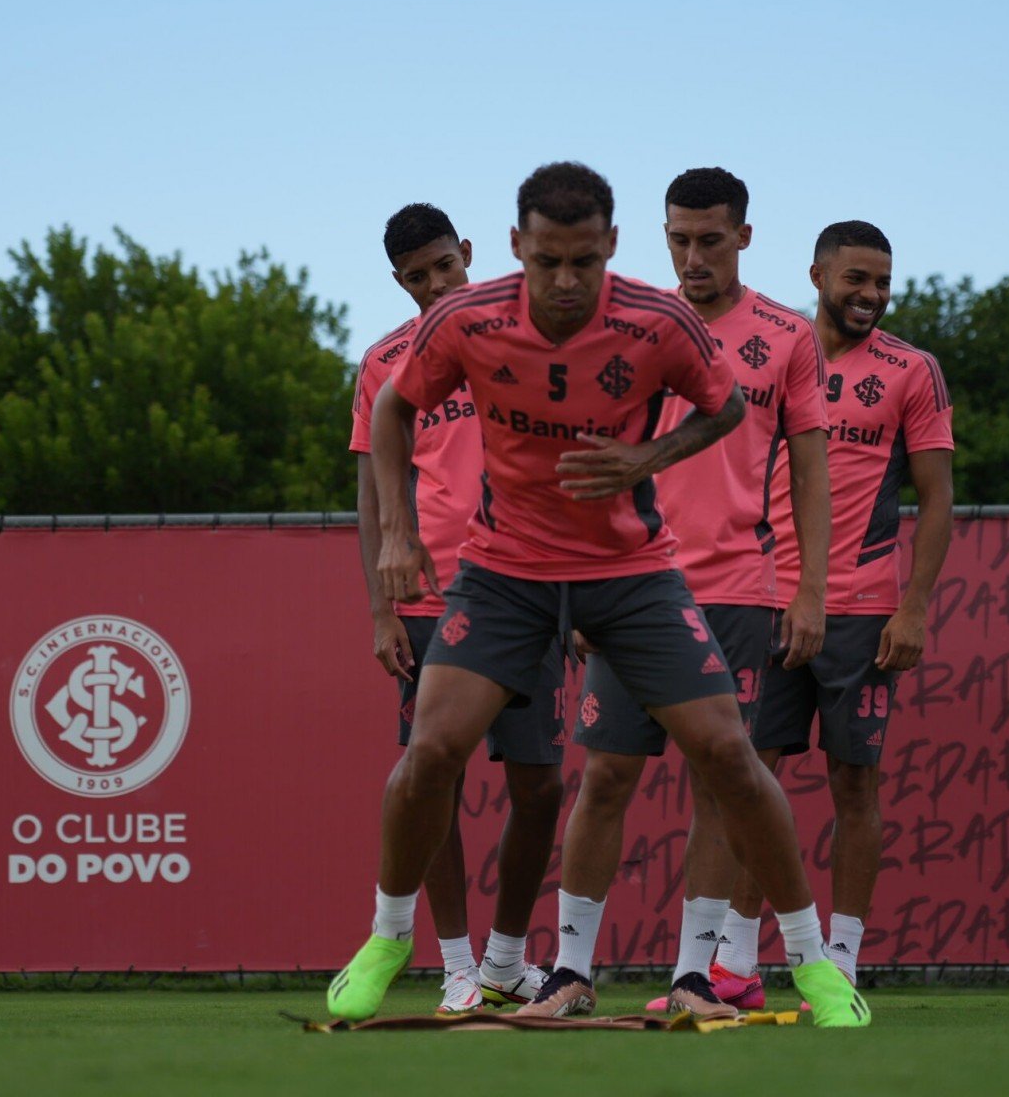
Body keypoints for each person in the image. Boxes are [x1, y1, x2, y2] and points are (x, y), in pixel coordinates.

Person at [328, 161, 869, 1029]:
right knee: (431, 751)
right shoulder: (468, 320)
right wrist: (396, 534)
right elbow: (392, 409)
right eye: (548, 262)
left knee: (729, 754)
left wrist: (646, 460)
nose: (568, 281)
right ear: (515, 249)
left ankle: (811, 961)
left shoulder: (655, 323)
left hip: (629, 574)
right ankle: (391, 936)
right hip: (505, 572)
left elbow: (726, 409)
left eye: (584, 260)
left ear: (613, 247)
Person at [550, 167, 834, 1019]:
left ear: (743, 237)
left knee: (720, 781)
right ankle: (570, 974)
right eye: (679, 239)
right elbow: (580, 458)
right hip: (628, 588)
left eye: (710, 240)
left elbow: (813, 476)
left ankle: (691, 979)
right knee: (605, 779)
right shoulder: (627, 326)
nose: (693, 255)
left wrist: (809, 589)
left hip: (738, 592)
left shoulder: (786, 336)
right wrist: (574, 583)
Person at [713, 219, 955, 1002]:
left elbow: (939, 497)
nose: (871, 296)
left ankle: (841, 959)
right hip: (770, 602)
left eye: (883, 283)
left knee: (856, 786)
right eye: (856, 279)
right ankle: (735, 965)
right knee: (753, 782)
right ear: (817, 274)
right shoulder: (777, 349)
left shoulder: (913, 370)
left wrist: (913, 609)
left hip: (863, 612)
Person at [348, 204, 563, 1013]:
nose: (436, 285)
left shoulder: (527, 337)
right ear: (399, 282)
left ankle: (508, 958)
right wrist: (379, 611)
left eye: (444, 265)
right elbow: (374, 494)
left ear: (469, 253)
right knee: (431, 777)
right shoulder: (384, 364)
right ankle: (457, 965)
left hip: (535, 584)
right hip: (429, 600)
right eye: (417, 277)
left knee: (541, 786)